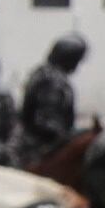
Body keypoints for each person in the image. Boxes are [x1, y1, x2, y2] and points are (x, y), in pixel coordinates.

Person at [19, 34, 89, 164]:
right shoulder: (52, 81)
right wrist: (73, 137)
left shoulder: (44, 73)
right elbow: (46, 122)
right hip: (40, 152)